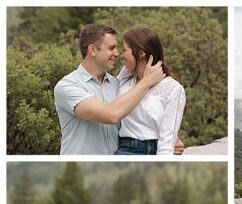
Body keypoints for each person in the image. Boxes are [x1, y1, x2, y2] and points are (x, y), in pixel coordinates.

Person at [53, 24, 183, 155]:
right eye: (111, 48)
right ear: (92, 50)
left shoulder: (118, 84)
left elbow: (136, 120)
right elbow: (111, 114)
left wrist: (164, 142)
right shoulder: (67, 86)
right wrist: (148, 81)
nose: (117, 54)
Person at [113, 28, 186, 155]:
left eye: (125, 50)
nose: (121, 54)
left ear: (141, 53)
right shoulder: (124, 78)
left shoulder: (173, 88)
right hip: (122, 146)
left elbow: (167, 141)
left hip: (150, 151)